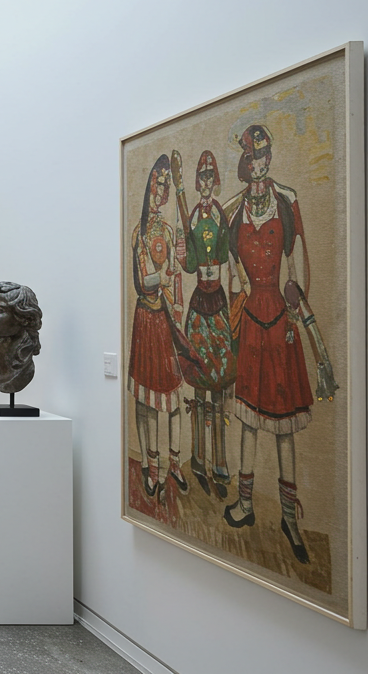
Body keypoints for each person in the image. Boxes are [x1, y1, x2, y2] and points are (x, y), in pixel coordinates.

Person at [222, 125, 320, 564]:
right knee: (247, 419)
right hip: (251, 320)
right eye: (251, 156)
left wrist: (298, 289)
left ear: (270, 157)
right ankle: (244, 505)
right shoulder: (233, 211)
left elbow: (297, 254)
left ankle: (288, 516)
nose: (258, 162)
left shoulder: (286, 199)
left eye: (263, 155)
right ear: (245, 162)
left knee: (281, 421)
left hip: (279, 319)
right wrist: (237, 293)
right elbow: (229, 266)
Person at [174, 150, 236, 499]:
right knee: (200, 385)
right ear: (197, 182)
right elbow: (191, 262)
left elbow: (225, 252)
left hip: (218, 303)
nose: (207, 182)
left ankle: (220, 462)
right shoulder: (194, 215)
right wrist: (185, 254)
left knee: (219, 387)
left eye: (211, 177)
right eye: (202, 177)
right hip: (199, 302)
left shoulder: (220, 215)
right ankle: (198, 458)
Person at [127, 155, 188, 500]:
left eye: (165, 185)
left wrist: (175, 298)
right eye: (157, 183)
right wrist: (163, 278)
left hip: (165, 319)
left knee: (173, 395)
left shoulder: (167, 230)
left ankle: (174, 462)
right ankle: (152, 468)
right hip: (146, 318)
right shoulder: (140, 231)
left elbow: (175, 278)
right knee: (146, 398)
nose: (160, 190)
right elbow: (144, 281)